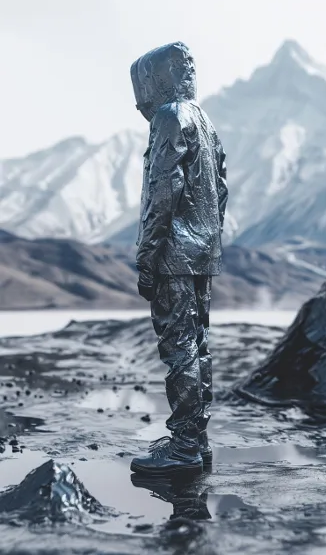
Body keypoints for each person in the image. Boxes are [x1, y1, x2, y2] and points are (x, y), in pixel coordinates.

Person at [129, 41, 228, 475]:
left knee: (180, 349)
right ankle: (197, 439)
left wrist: (147, 257)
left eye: (142, 88)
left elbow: (162, 191)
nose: (139, 103)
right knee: (198, 346)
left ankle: (184, 445)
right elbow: (220, 190)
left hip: (173, 256)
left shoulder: (170, 117)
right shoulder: (205, 122)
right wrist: (208, 239)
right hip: (202, 254)